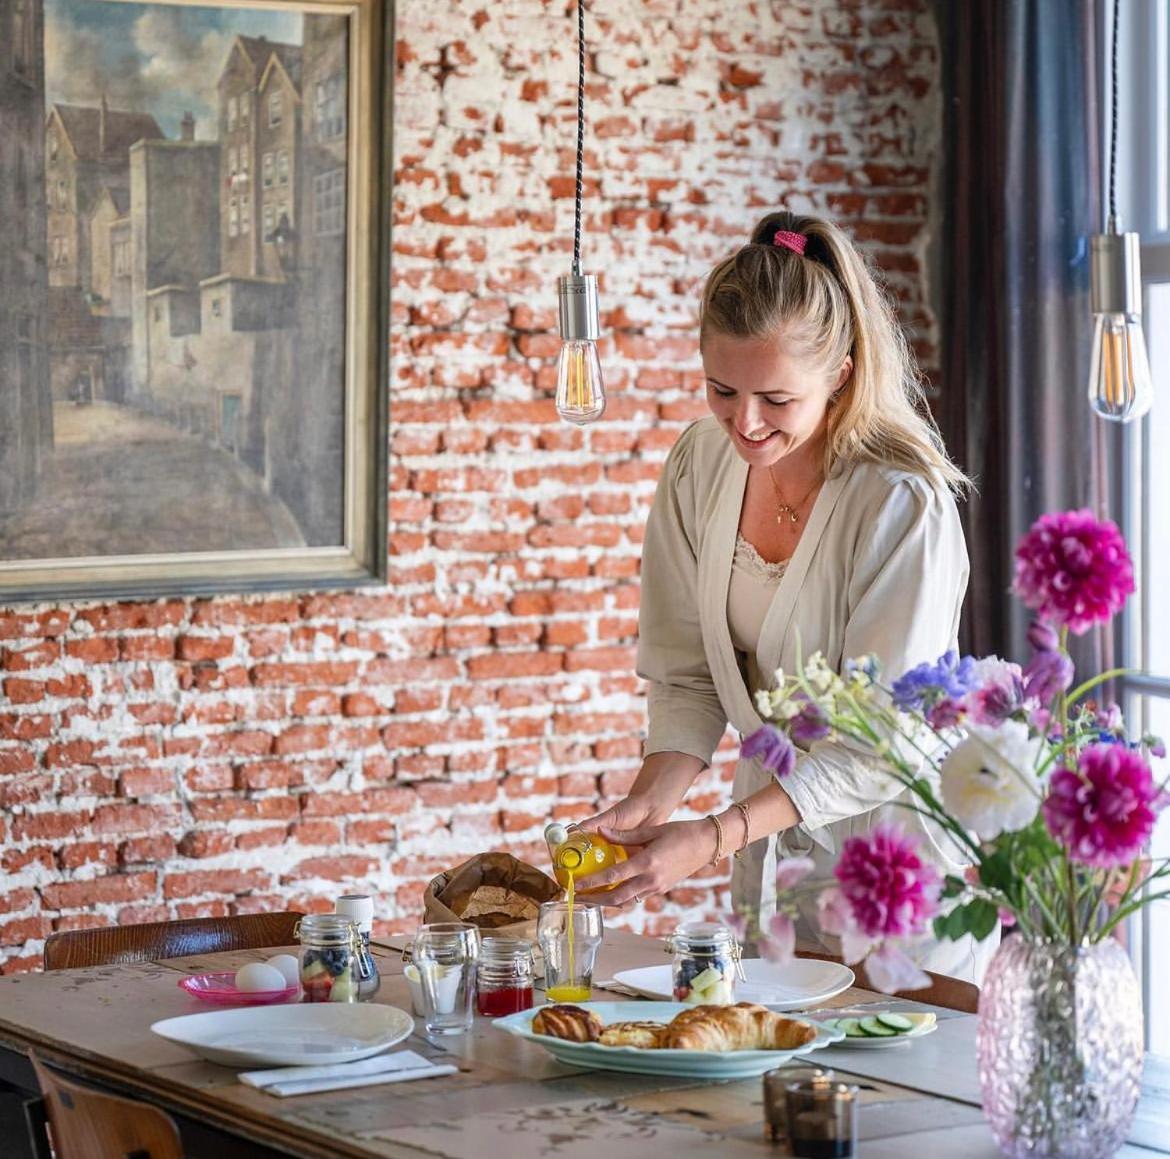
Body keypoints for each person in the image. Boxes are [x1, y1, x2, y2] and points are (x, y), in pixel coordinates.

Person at [581, 210, 992, 982]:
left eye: (775, 398)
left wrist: (713, 835)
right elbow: (689, 674)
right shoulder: (701, 464)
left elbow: (882, 742)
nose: (745, 421)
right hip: (773, 857)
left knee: (895, 1096)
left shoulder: (901, 503)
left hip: (896, 869)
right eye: (722, 389)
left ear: (839, 371)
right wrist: (650, 804)